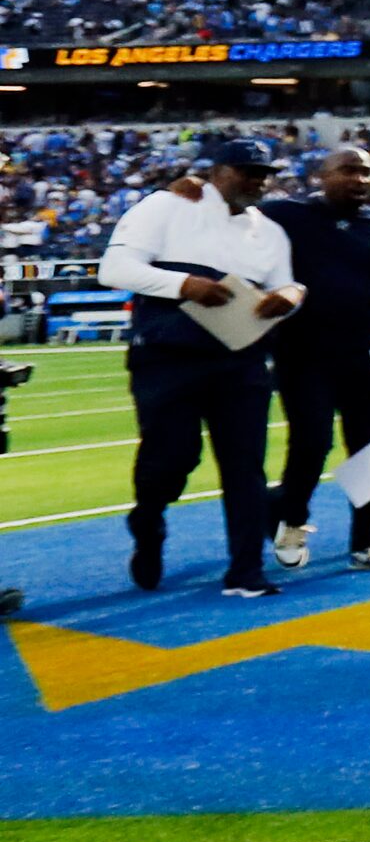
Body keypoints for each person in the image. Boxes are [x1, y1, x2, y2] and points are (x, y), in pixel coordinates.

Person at [98, 138, 301, 597]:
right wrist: (184, 285)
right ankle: (148, 521)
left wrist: (291, 297)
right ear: (217, 171)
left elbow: (285, 284)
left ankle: (247, 570)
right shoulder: (167, 206)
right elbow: (114, 268)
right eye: (246, 170)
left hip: (240, 358)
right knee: (170, 459)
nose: (257, 180)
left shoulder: (269, 231)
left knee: (245, 465)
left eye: (263, 173)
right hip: (169, 357)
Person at [262, 146, 370, 573]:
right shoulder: (283, 215)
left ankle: (369, 539)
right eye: (347, 170)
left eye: (365, 172)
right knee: (311, 443)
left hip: (365, 351)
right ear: (321, 175)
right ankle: (291, 519)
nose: (358, 179)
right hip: (301, 351)